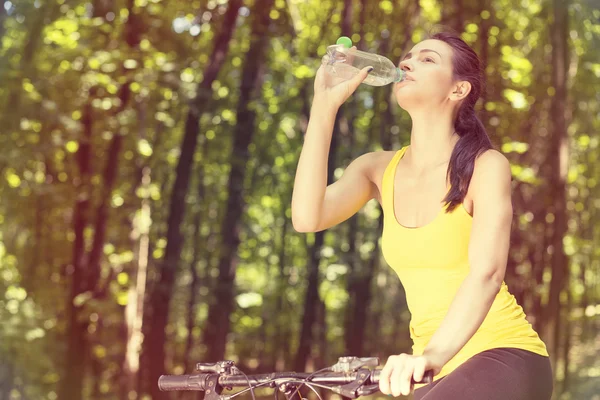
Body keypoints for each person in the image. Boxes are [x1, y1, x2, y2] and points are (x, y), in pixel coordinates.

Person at [291, 30, 553, 400]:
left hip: (504, 354)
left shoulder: (486, 166)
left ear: (458, 90)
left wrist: (432, 354)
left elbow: (487, 274)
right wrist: (324, 105)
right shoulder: (377, 169)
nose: (407, 62)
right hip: (432, 372)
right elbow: (307, 217)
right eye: (408, 56)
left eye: (427, 59)